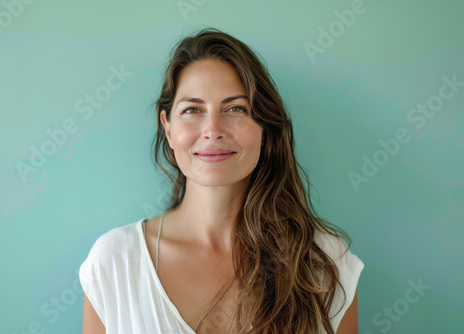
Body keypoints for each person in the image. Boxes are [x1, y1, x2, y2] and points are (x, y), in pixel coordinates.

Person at [79, 27, 364, 334]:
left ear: (264, 127)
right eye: (192, 110)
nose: (213, 129)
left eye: (236, 108)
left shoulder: (325, 263)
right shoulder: (114, 262)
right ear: (168, 128)